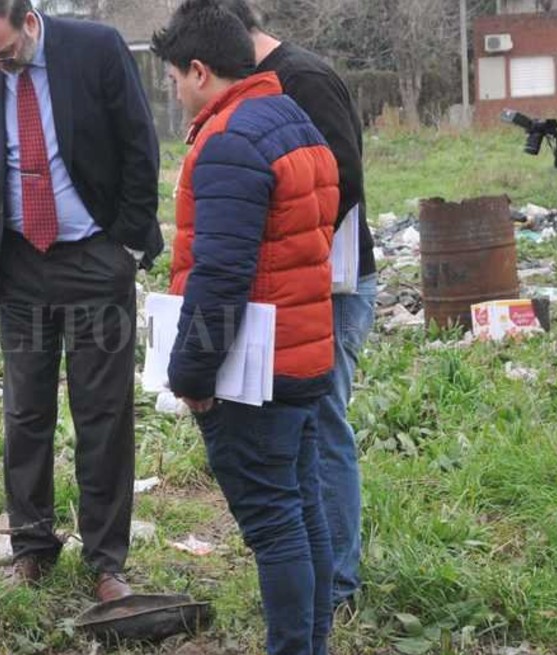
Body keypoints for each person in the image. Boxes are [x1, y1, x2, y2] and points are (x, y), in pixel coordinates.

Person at [0, 0, 161, 603]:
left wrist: (125, 245)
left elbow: (140, 146)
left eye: (5, 53)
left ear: (28, 20)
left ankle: (106, 561)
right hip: (18, 263)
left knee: (103, 412)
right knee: (25, 413)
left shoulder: (95, 49)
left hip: (94, 255)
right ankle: (32, 548)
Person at [152, 1, 338, 653]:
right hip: (304, 355)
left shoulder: (229, 141)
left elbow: (221, 273)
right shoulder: (291, 119)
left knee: (273, 525)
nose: (176, 94)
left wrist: (191, 373)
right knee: (302, 512)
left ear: (200, 70)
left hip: (256, 373)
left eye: (175, 79)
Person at [214, 0, 374, 607]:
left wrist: (285, 246)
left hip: (330, 284)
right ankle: (312, 573)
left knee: (321, 427)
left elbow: (343, 177)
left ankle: (337, 583)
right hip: (293, 285)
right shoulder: (261, 82)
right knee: (295, 434)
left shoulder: (301, 77)